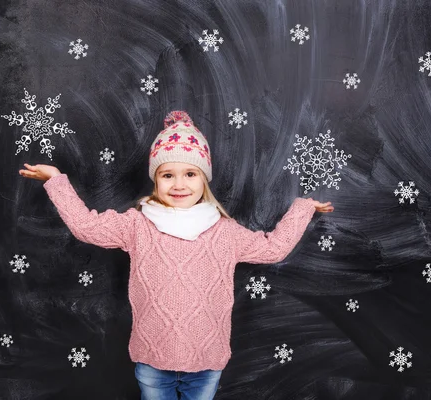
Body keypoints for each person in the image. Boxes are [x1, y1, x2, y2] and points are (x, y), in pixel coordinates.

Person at [19, 110, 333, 400]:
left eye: (190, 174)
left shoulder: (225, 232)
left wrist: (301, 209)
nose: (179, 184)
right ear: (156, 179)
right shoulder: (138, 225)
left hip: (207, 362)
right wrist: (56, 181)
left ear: (204, 178)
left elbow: (273, 249)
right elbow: (86, 227)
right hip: (153, 361)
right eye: (168, 175)